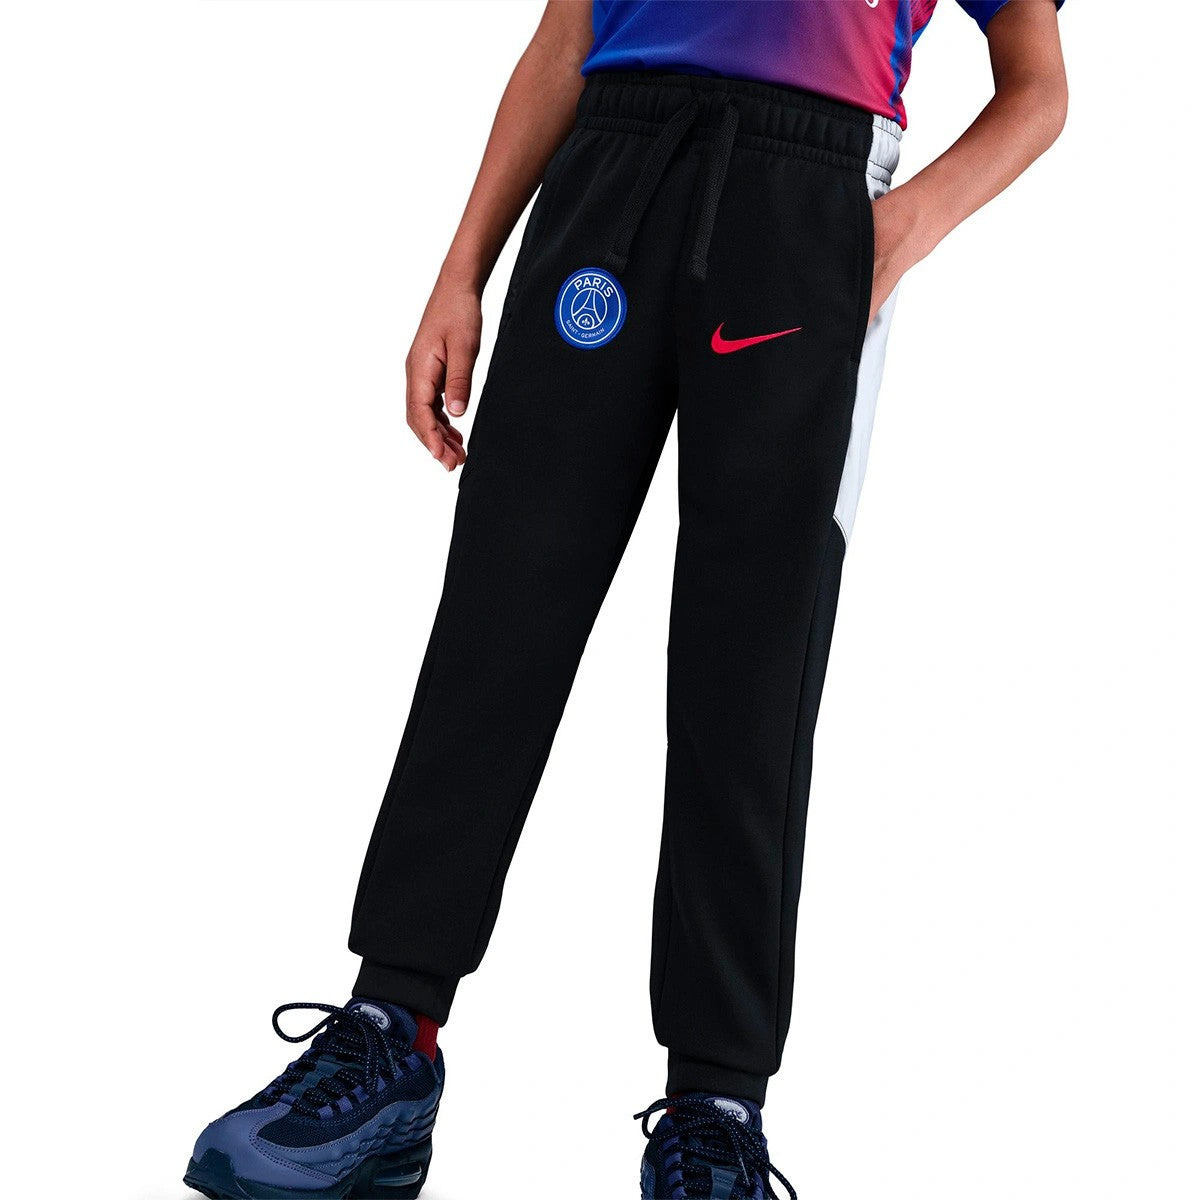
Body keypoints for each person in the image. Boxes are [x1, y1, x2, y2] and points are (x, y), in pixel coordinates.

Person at [185, 3, 1068, 1197]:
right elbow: (566, 35)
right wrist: (462, 271)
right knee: (498, 618)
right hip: (610, 170)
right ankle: (391, 1040)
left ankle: (715, 1111)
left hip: (805, 203)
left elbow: (1037, 86)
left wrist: (897, 228)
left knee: (748, 673)